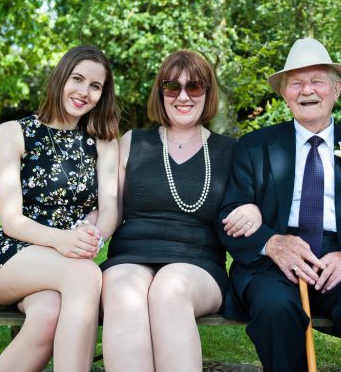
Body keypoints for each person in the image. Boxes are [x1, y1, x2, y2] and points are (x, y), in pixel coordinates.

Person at [217, 38, 341, 372]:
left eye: (317, 81)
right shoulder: (254, 147)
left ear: (335, 90)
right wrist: (271, 242)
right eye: (296, 83)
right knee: (275, 308)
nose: (308, 91)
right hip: (274, 261)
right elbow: (227, 215)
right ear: (285, 94)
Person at [100, 50, 253, 372]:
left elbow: (250, 204)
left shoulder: (231, 151)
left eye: (194, 87)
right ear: (161, 93)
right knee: (122, 290)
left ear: (208, 93)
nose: (183, 96)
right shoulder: (132, 142)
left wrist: (255, 209)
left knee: (169, 288)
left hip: (197, 265)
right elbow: (107, 210)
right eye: (172, 87)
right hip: (130, 256)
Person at [0, 45, 120, 372]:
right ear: (60, 78)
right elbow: (12, 221)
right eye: (78, 79)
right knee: (86, 275)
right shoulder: (13, 133)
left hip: (69, 257)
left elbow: (110, 206)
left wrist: (92, 236)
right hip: (15, 254)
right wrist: (61, 240)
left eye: (95, 86)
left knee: (47, 317)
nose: (84, 92)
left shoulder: (103, 140)